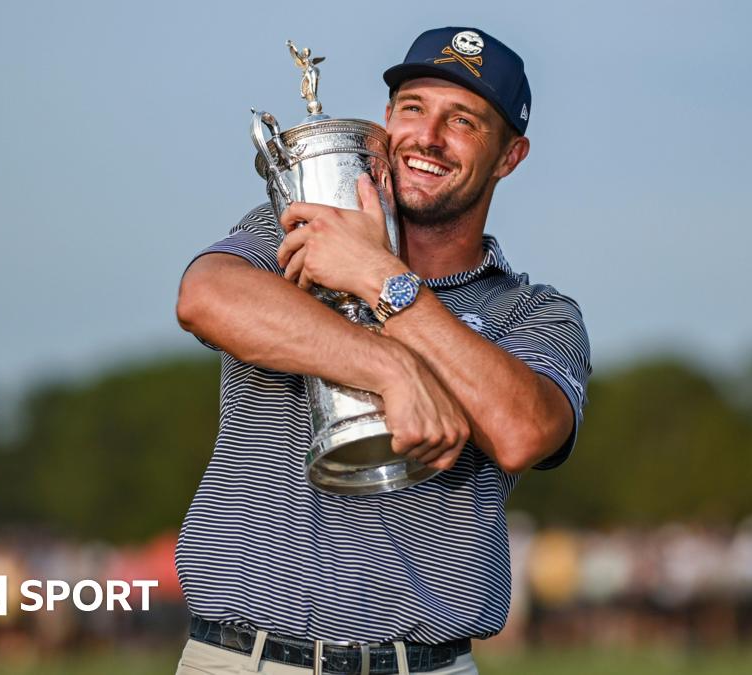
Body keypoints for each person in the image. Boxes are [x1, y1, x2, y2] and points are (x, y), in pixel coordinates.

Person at [173, 26, 591, 675]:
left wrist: (380, 278)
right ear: (387, 119)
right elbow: (206, 297)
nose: (429, 136)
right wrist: (389, 366)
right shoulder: (300, 222)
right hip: (244, 660)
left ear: (511, 155)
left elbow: (522, 428)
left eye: (464, 121)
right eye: (414, 108)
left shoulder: (535, 311)